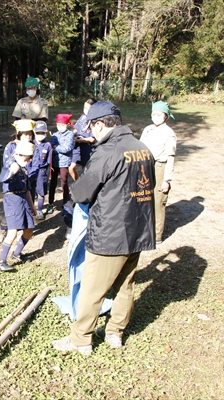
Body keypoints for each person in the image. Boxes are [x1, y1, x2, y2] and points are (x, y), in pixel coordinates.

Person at [52, 100, 156, 356]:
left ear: (100, 124)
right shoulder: (142, 147)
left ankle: (80, 340)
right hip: (138, 229)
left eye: (92, 127)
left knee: (92, 288)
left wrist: (76, 179)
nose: (91, 133)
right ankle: (114, 333)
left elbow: (82, 193)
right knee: (125, 284)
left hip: (111, 232)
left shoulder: (107, 151)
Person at [0, 140, 37, 271]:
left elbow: (28, 189)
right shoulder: (11, 164)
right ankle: (1, 261)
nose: (30, 160)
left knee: (29, 229)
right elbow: (5, 175)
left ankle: (17, 253)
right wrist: (13, 169)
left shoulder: (23, 170)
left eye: (31, 157)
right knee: (13, 231)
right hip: (12, 199)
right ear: (19, 154)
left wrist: (32, 206)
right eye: (28, 157)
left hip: (24, 199)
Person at [140, 101, 177, 244]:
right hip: (145, 166)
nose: (156, 116)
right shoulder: (148, 129)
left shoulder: (169, 134)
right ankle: (144, 229)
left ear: (166, 116)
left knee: (157, 202)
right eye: (154, 114)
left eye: (159, 114)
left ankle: (156, 236)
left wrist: (167, 180)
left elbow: (170, 158)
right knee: (144, 199)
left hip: (159, 167)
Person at [0, 120, 35, 244]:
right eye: (25, 134)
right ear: (18, 133)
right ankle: (2, 231)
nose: (28, 137)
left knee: (27, 206)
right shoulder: (11, 146)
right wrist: (15, 166)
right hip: (14, 184)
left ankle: (22, 231)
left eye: (30, 134)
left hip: (28, 182)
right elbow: (7, 163)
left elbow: (35, 162)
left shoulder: (33, 146)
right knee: (11, 211)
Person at [47, 114, 75, 213]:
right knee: (52, 184)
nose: (60, 126)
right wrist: (56, 148)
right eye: (58, 124)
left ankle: (66, 204)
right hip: (54, 163)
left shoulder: (70, 135)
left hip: (64, 163)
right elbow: (51, 148)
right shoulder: (54, 135)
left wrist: (56, 147)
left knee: (64, 183)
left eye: (62, 124)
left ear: (67, 124)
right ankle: (50, 203)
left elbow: (67, 148)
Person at [28, 120, 52, 220]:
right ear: (34, 132)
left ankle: (39, 210)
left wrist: (49, 174)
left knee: (41, 192)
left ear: (45, 133)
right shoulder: (30, 144)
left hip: (42, 172)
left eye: (42, 133)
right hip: (31, 171)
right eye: (38, 133)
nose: (40, 135)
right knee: (30, 191)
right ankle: (31, 208)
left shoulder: (48, 146)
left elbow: (49, 162)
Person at [69, 98, 97, 181]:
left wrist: (78, 140)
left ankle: (85, 189)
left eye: (88, 108)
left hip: (87, 148)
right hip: (78, 147)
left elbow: (92, 139)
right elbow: (76, 129)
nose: (85, 110)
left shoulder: (96, 121)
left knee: (85, 171)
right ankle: (77, 184)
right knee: (71, 168)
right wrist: (70, 134)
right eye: (84, 107)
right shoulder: (83, 117)